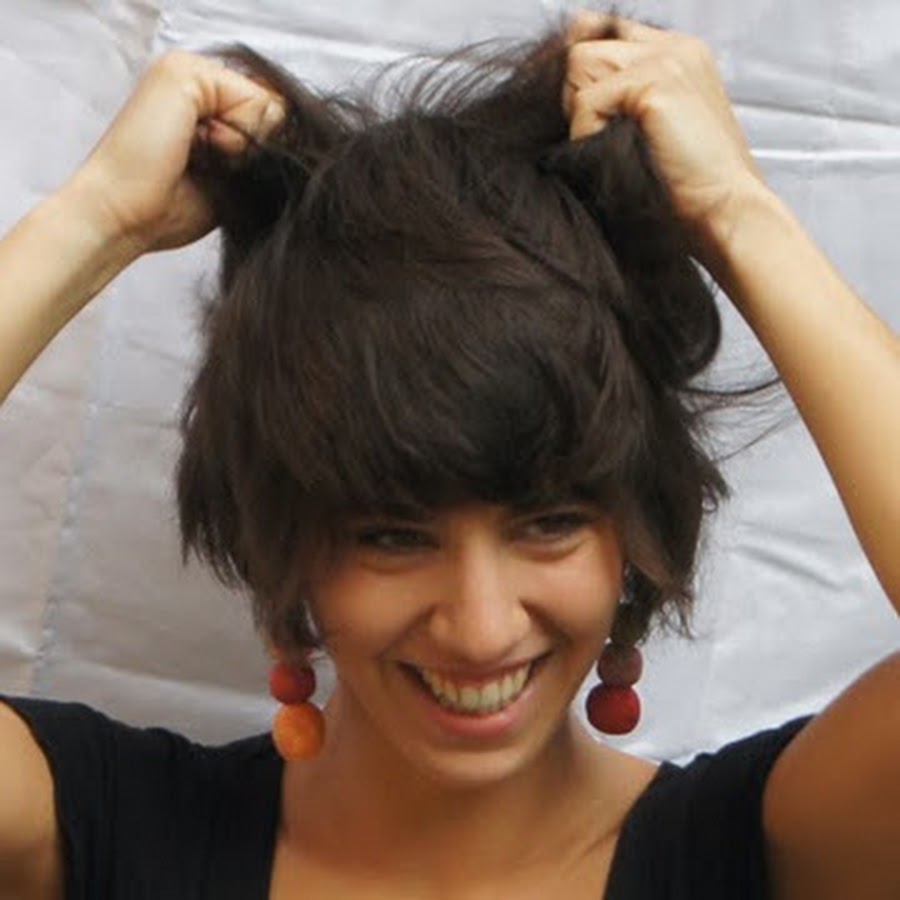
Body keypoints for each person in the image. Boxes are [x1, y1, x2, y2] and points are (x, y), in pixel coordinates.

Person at [0, 10, 898, 900]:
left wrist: (737, 212)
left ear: (635, 527)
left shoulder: (755, 853)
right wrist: (94, 218)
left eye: (549, 524)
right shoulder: (115, 835)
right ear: (284, 542)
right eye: (394, 536)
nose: (481, 629)